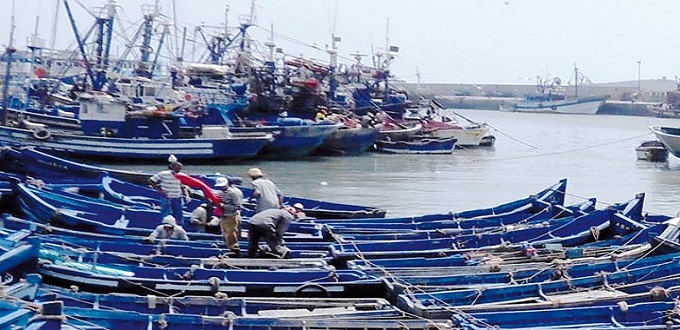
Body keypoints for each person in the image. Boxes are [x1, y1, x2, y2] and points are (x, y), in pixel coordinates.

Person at [149, 160, 185, 226]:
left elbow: (182, 185)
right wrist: (159, 190)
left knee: (178, 213)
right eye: (177, 168)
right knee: (165, 212)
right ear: (172, 167)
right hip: (166, 196)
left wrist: (185, 192)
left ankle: (178, 226)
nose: (178, 170)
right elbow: (151, 180)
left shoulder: (182, 175)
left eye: (179, 169)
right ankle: (165, 225)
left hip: (177, 196)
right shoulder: (163, 174)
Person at [215, 176, 243, 256]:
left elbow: (238, 206)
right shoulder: (220, 193)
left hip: (231, 216)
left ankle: (234, 249)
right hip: (223, 216)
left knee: (231, 234)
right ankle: (229, 248)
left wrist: (223, 206)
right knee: (225, 233)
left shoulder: (232, 193)